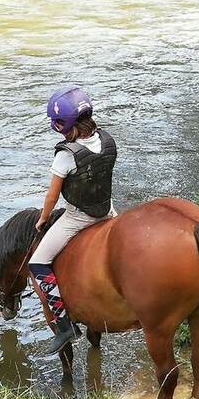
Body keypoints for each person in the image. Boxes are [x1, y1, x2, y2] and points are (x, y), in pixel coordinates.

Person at [28, 86, 117, 355]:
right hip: (108, 211)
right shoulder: (107, 139)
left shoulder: (66, 154)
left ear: (61, 124)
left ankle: (64, 324)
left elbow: (52, 197)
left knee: (37, 263)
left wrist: (43, 219)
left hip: (79, 217)